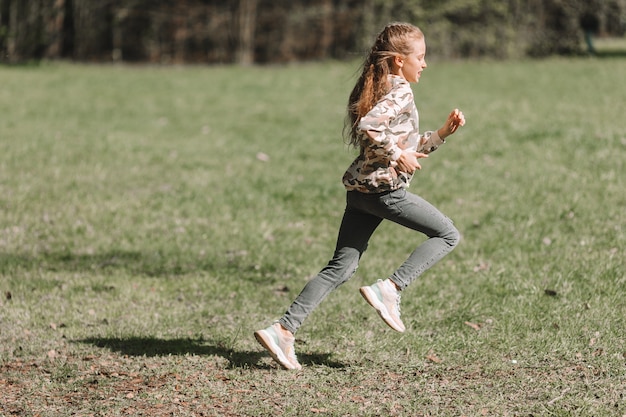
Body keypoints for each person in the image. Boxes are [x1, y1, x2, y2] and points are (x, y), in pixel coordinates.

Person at [254, 22, 465, 370]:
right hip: (385, 192)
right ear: (399, 61)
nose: (425, 64)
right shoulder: (400, 92)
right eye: (421, 57)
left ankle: (283, 330)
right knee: (447, 234)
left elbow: (401, 145)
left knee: (342, 266)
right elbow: (372, 129)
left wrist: (441, 134)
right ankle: (392, 289)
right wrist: (398, 157)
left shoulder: (379, 86)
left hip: (362, 192)